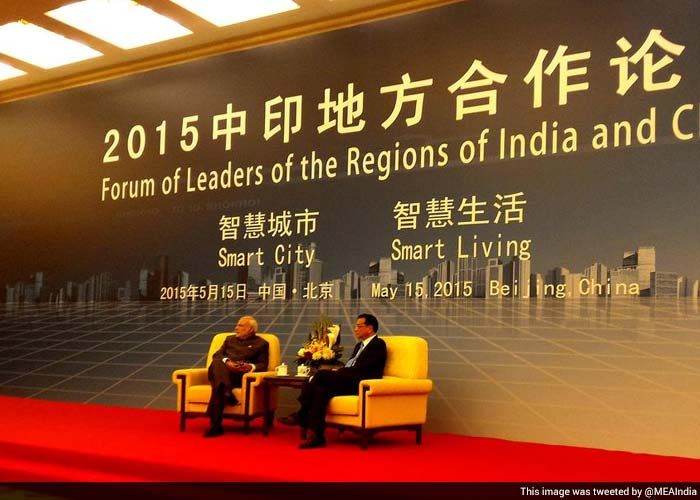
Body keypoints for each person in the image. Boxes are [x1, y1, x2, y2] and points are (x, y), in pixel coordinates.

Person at [280, 313, 387, 449]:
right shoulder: (358, 346)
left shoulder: (378, 344)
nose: (355, 329)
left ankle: (302, 414)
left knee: (321, 375)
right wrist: (340, 372)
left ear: (370, 328)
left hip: (361, 383)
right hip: (348, 379)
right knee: (320, 390)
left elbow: (362, 368)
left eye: (359, 326)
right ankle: (318, 437)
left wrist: (339, 372)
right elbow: (350, 365)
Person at [204, 315, 269, 438]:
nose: (236, 328)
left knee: (219, 386)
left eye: (240, 325)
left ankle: (216, 425)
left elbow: (263, 365)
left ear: (250, 329)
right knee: (217, 362)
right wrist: (228, 362)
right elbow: (217, 355)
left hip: (239, 377)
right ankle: (226, 390)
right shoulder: (229, 339)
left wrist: (249, 367)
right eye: (237, 325)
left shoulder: (261, 343)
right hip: (223, 372)